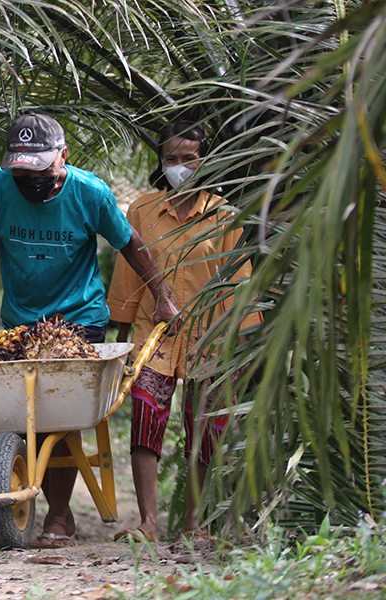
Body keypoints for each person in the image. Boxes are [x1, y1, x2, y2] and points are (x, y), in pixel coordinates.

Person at [0, 113, 180, 548]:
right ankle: (40, 503)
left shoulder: (89, 193)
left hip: (79, 318)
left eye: (40, 170)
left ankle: (59, 515)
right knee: (23, 410)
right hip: (22, 319)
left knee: (56, 411)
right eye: (21, 172)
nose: (31, 180)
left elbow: (130, 243)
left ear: (63, 155)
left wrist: (163, 295)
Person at [107, 119, 261, 543]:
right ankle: (149, 524)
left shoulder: (225, 216)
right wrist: (120, 341)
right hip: (152, 336)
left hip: (208, 337)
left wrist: (240, 344)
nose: (179, 167)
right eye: (171, 159)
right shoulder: (141, 211)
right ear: (161, 162)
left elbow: (238, 284)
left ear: (205, 161)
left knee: (205, 430)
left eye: (189, 159)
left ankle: (194, 524)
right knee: (145, 421)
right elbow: (126, 277)